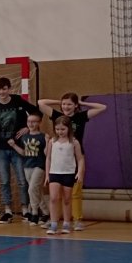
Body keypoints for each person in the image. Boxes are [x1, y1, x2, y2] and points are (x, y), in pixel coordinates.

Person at [38, 92, 107, 231]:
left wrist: (83, 103)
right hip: (58, 158)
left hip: (74, 156)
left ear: (75, 105)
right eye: (64, 104)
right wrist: (59, 101)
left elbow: (102, 107)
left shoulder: (81, 117)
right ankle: (54, 220)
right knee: (55, 195)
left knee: (73, 193)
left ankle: (76, 220)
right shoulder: (57, 116)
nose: (66, 106)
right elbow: (41, 103)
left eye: (69, 104)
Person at [0, 77, 40, 224]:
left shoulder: (17, 101)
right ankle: (7, 210)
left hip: (18, 147)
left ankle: (25, 209)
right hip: (0, 149)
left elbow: (36, 112)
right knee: (4, 181)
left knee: (22, 180)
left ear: (9, 89)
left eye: (4, 89)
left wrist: (28, 127)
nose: (2, 92)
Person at [45, 116, 85, 235]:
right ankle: (53, 224)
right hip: (54, 173)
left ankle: (67, 223)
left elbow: (80, 159)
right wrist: (47, 174)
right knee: (53, 198)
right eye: (57, 129)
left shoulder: (74, 142)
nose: (60, 132)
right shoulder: (52, 141)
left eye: (63, 129)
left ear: (68, 129)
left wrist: (79, 172)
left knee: (67, 199)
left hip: (68, 173)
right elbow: (48, 158)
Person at [8, 113, 49, 226]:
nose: (31, 124)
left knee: (31, 189)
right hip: (27, 166)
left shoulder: (43, 136)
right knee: (36, 190)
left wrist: (47, 142)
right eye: (29, 121)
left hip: (39, 165)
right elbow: (24, 153)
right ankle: (46, 213)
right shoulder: (24, 137)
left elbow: (47, 153)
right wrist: (14, 145)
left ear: (39, 123)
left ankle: (34, 213)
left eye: (34, 121)